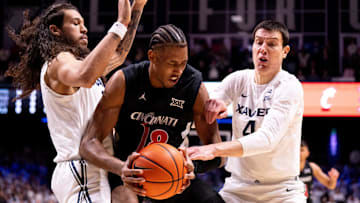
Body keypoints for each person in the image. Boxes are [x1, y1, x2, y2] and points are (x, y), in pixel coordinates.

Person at [5, 0, 147, 202]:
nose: (85, 28)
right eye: (75, 23)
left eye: (83, 23)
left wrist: (138, 7)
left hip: (97, 166)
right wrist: (121, 23)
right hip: (81, 168)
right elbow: (85, 77)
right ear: (55, 30)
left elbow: (118, 54)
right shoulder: (58, 61)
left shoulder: (79, 64)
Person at [80, 24, 225, 203]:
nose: (179, 71)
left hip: (173, 171)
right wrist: (121, 168)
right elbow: (88, 143)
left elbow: (219, 154)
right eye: (172, 63)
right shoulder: (124, 81)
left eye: (183, 63)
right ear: (152, 57)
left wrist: (191, 166)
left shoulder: (193, 87)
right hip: (130, 172)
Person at [187, 20, 307, 203]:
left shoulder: (290, 87)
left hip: (282, 191)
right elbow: (215, 99)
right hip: (238, 189)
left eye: (272, 44)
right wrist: (215, 105)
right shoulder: (238, 80)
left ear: (285, 51)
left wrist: (214, 149)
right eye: (259, 42)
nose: (263, 49)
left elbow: (267, 139)